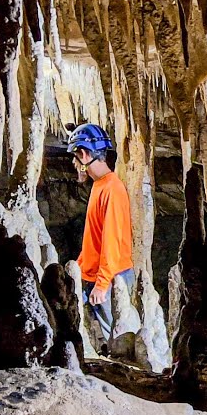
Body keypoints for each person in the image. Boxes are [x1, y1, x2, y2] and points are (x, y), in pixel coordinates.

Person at [67, 123, 134, 344]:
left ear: (85, 155)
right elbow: (93, 237)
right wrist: (78, 269)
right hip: (95, 274)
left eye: (75, 157)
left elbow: (112, 240)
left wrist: (103, 283)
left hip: (111, 277)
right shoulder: (100, 185)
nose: (74, 164)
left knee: (116, 339)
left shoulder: (112, 189)